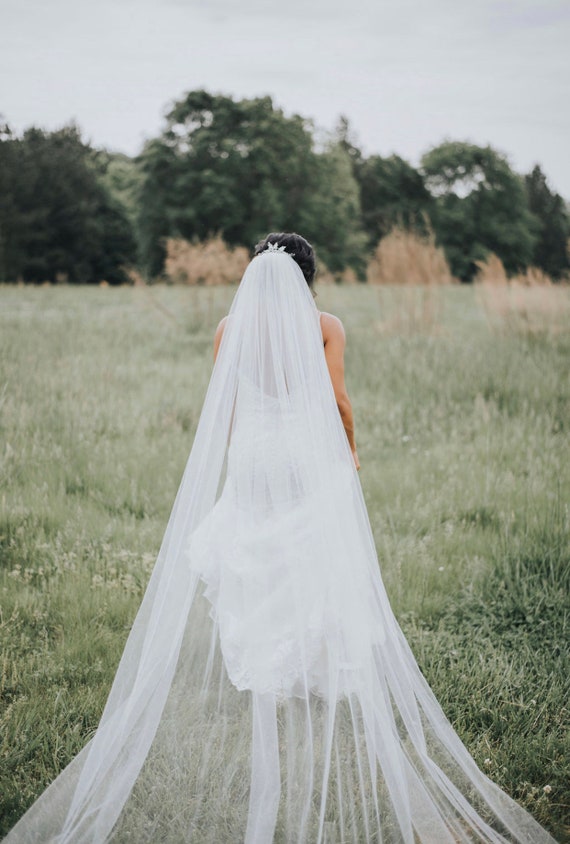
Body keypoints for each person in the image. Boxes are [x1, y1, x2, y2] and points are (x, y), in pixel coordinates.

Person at [4, 233, 555, 843]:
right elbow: (338, 399)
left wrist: (242, 463)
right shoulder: (325, 325)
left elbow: (228, 409)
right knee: (309, 550)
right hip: (302, 451)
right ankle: (309, 663)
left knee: (257, 550)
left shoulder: (225, 331)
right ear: (307, 279)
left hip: (255, 455)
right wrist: (351, 448)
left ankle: (268, 660)